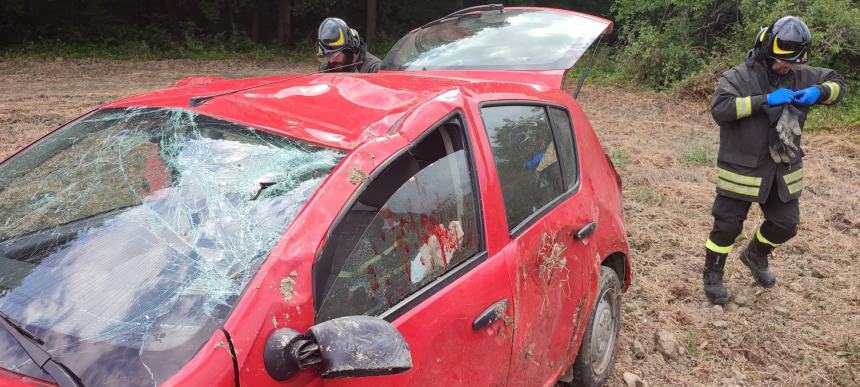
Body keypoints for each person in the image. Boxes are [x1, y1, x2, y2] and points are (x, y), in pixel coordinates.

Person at [702, 16, 847, 305]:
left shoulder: (801, 75)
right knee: (727, 226)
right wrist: (765, 100)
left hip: (782, 170)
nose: (788, 67)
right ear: (766, 51)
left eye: (793, 62)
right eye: (782, 61)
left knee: (786, 225)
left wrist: (820, 91)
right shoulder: (738, 76)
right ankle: (713, 274)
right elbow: (721, 109)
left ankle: (755, 254)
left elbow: (838, 83)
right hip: (742, 169)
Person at [317, 17, 381, 73]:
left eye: (335, 54)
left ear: (352, 49)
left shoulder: (374, 69)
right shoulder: (326, 67)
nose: (331, 60)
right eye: (328, 55)